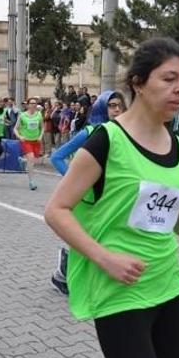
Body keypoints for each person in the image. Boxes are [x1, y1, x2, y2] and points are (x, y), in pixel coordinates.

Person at [44, 38, 179, 358]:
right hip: (119, 291)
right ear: (138, 83)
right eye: (169, 79)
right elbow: (56, 210)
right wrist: (104, 258)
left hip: (169, 287)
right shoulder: (107, 141)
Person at [48, 90, 126, 295]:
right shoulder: (91, 132)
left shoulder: (127, 134)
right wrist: (75, 183)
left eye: (119, 105)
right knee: (87, 238)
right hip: (88, 198)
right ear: (101, 107)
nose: (116, 109)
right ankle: (64, 271)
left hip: (112, 196)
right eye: (111, 105)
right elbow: (57, 157)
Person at [14, 97, 44, 190]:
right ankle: (31, 182)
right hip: (26, 141)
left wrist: (40, 137)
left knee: (34, 161)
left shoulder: (39, 115)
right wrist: (20, 136)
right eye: (31, 103)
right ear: (27, 105)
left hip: (36, 141)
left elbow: (42, 127)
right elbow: (15, 128)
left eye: (35, 103)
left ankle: (23, 160)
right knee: (31, 159)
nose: (33, 105)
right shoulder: (22, 115)